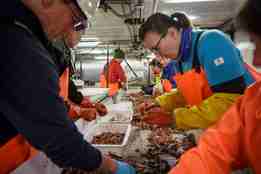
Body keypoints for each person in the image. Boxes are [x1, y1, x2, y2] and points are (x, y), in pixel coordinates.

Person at [0, 0, 135, 174]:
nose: (70, 29)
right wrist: (111, 167)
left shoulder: (25, 32)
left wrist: (79, 110)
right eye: (76, 20)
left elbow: (49, 101)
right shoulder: (16, 41)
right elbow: (58, 137)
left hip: (26, 149)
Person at [168, 0, 261, 173]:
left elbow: (225, 102)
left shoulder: (211, 41)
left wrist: (175, 117)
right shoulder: (253, 101)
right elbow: (217, 148)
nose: (254, 61)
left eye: (259, 46)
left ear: (175, 33)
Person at [138, 11, 256, 130]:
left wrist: (174, 118)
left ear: (172, 33)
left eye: (156, 48)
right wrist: (160, 103)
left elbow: (230, 102)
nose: (158, 56)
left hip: (250, 126)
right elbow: (185, 94)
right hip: (223, 129)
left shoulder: (212, 41)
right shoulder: (179, 61)